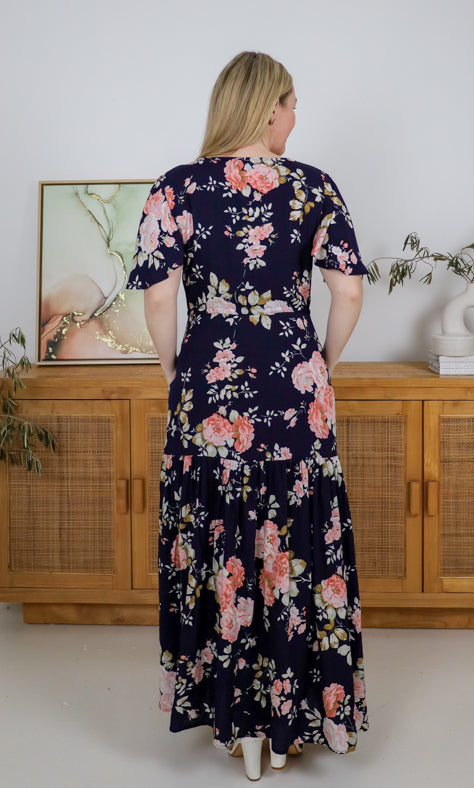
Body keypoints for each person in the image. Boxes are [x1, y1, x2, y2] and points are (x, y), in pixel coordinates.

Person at [126, 50, 369, 781]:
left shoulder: (177, 187)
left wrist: (174, 367)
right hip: (296, 387)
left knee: (218, 536)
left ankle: (236, 724)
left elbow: (161, 295)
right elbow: (349, 291)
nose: (298, 118)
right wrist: (322, 359)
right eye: (293, 104)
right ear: (269, 107)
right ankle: (292, 721)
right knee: (297, 540)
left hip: (210, 388)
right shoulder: (314, 187)